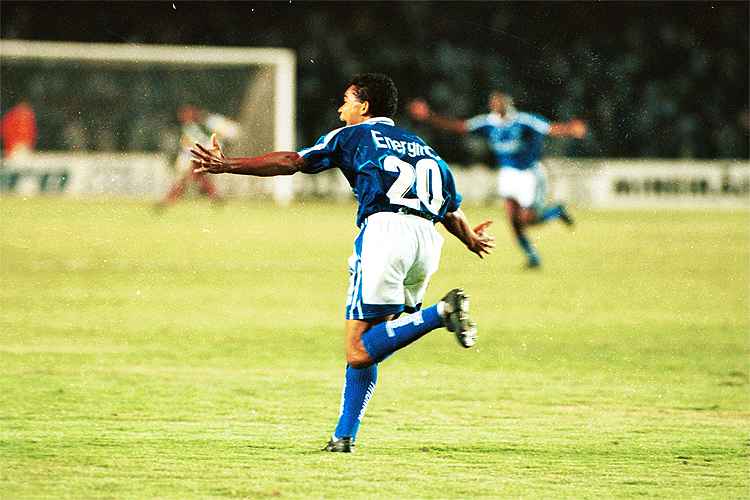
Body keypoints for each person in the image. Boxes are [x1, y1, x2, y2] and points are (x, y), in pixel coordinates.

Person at [191, 73, 495, 452]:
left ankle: (440, 313)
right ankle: (343, 437)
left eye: (347, 100)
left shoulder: (352, 135)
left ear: (364, 106)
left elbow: (292, 161)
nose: (340, 108)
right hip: (427, 244)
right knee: (370, 342)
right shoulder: (422, 147)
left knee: (358, 348)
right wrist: (470, 239)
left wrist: (228, 165)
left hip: (385, 234)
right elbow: (451, 209)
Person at [408, 92, 587, 268]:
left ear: (508, 104)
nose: (497, 105)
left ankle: (556, 211)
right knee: (512, 219)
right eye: (494, 102)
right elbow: (460, 127)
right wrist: (429, 117)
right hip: (507, 174)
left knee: (527, 219)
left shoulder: (523, 121)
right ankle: (532, 257)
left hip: (528, 173)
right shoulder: (488, 122)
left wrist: (570, 130)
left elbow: (548, 129)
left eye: (500, 102)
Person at [155, 106, 241, 210]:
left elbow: (204, 141)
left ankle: (170, 200)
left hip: (196, 155)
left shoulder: (202, 125)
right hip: (193, 155)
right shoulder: (193, 126)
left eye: (186, 113)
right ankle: (215, 198)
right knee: (196, 178)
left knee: (188, 178)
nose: (182, 116)